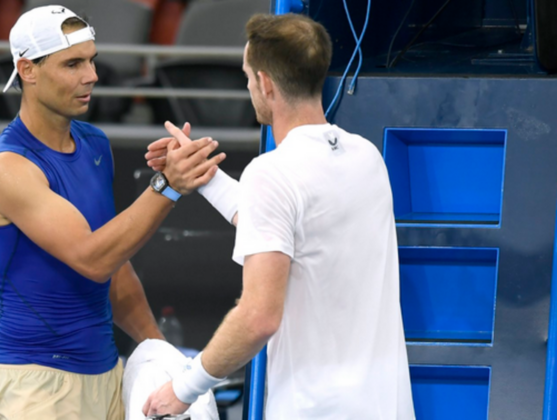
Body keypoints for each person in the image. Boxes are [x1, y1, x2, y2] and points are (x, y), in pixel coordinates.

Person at [143, 13, 415, 419]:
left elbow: (257, 317)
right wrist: (205, 176)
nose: (249, 85)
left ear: (266, 83)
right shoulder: (366, 157)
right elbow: (277, 223)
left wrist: (183, 389)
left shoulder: (272, 174)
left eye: (248, 76)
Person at [0, 6, 225, 420]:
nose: (91, 76)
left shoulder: (94, 145)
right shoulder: (4, 167)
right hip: (34, 389)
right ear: (27, 70)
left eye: (92, 60)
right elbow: (92, 258)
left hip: (108, 377)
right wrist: (167, 186)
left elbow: (115, 270)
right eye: (73, 63)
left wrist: (160, 358)